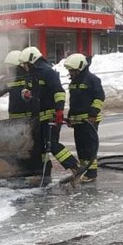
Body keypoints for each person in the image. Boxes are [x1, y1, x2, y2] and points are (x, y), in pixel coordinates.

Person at [18, 46, 84, 180]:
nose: (24, 66)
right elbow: (26, 89)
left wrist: (59, 110)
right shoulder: (32, 74)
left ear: (32, 61)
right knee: (40, 147)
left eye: (25, 63)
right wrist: (26, 93)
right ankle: (45, 173)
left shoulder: (48, 73)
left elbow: (59, 92)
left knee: (52, 144)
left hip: (51, 116)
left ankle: (75, 167)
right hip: (38, 118)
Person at [64, 53, 105, 182]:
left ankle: (92, 174)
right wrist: (71, 117)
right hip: (78, 121)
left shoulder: (92, 80)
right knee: (80, 147)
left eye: (73, 70)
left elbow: (99, 97)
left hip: (89, 121)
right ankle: (83, 170)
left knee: (89, 147)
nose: (71, 73)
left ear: (80, 68)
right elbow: (73, 102)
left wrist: (93, 114)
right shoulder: (74, 82)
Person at [0, 50, 33, 119]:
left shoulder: (8, 78)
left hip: (15, 115)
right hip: (31, 114)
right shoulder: (31, 75)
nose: (6, 67)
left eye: (8, 65)